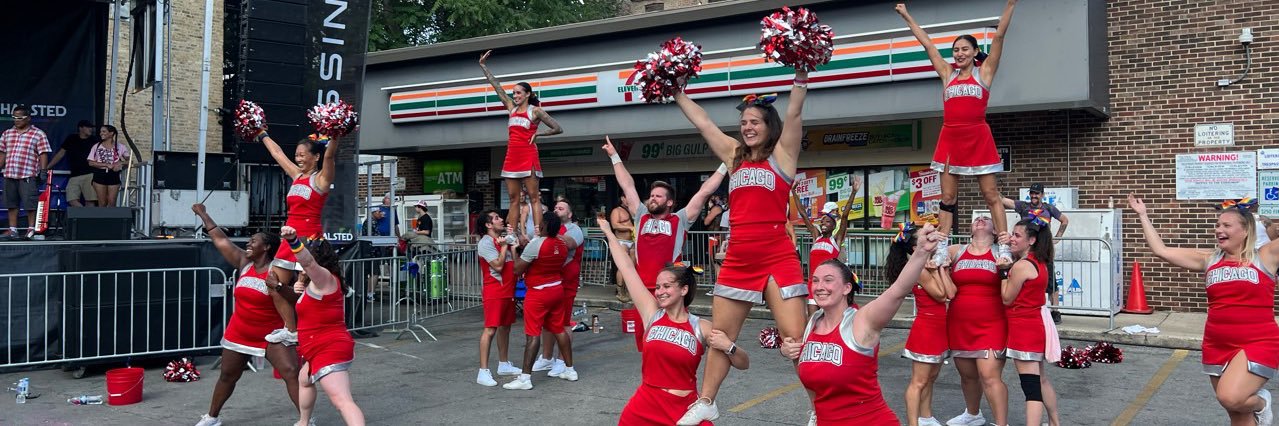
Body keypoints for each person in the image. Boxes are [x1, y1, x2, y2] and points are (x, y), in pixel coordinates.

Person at [673, 69, 811, 424]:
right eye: (744, 121)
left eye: (755, 122)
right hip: (738, 257)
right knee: (720, 336)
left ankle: (820, 409)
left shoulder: (783, 156)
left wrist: (800, 76)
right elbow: (704, 123)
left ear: (769, 126)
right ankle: (707, 400)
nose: (747, 127)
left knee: (796, 339)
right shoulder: (735, 156)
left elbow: (794, 113)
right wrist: (677, 92)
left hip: (777, 256)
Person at [1129, 195, 1279, 425]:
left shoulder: (1265, 257)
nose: (1219, 229)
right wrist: (1143, 215)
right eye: (1218, 225)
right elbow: (1161, 250)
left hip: (1257, 341)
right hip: (1217, 343)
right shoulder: (1209, 259)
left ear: (1246, 230)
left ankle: (1262, 403)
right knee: (1237, 412)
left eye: (1227, 225)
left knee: (1231, 397)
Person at [896, 1, 1019, 267]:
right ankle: (941, 247)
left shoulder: (984, 72)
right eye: (955, 50)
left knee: (991, 195)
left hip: (978, 136)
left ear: (975, 52)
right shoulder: (947, 75)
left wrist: (1011, 4)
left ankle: (1004, 247)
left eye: (964, 49)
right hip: (950, 138)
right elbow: (928, 44)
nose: (959, 53)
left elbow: (999, 36)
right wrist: (907, 15)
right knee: (948, 198)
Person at [780, 224, 942, 425]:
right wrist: (791, 352)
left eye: (828, 280)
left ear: (847, 287)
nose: (820, 287)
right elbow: (813, 376)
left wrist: (921, 252)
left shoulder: (862, 320)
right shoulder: (813, 322)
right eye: (815, 281)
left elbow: (898, 290)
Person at [598, 215, 747, 425]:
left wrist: (729, 347)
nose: (659, 292)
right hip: (645, 405)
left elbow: (743, 363)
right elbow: (627, 269)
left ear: (683, 289)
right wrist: (608, 232)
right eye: (658, 287)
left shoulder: (701, 327)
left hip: (684, 410)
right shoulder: (652, 314)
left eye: (666, 286)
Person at [192, 204, 298, 426]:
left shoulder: (278, 270)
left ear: (267, 247)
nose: (248, 243)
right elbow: (221, 241)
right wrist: (203, 214)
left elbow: (293, 298)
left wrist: (278, 285)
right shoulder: (244, 262)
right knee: (227, 376)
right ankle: (212, 417)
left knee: (290, 372)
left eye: (254, 240)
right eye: (249, 240)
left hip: (270, 335)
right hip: (239, 332)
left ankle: (306, 419)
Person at [603, 135, 727, 294]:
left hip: (671, 289)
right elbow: (627, 185)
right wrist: (614, 156)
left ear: (669, 202)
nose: (653, 198)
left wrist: (725, 165)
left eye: (658, 196)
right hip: (642, 288)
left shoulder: (680, 219)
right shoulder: (641, 215)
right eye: (652, 195)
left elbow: (704, 192)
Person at [254, 131, 341, 346]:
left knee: (308, 292)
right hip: (288, 239)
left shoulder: (321, 179)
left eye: (303, 155)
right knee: (272, 284)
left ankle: (318, 331)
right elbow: (277, 153)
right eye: (297, 155)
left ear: (316, 157)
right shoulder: (296, 175)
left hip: (309, 241)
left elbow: (330, 156)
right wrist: (262, 133)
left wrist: (336, 135)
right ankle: (290, 330)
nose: (298, 159)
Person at [282, 226, 365, 426]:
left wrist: (294, 241)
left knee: (342, 401)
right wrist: (296, 290)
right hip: (316, 346)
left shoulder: (324, 277)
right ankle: (304, 422)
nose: (299, 262)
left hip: (329, 346)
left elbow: (307, 262)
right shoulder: (315, 282)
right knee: (305, 379)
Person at [478, 50, 563, 241]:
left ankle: (538, 233)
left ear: (527, 95)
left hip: (528, 155)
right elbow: (497, 87)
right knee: (514, 199)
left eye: (518, 93)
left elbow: (558, 128)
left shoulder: (536, 111)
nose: (514, 95)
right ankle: (511, 233)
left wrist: (539, 133)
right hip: (512, 156)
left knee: (534, 197)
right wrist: (484, 67)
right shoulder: (511, 108)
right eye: (514, 93)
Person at [943, 215, 1009, 426]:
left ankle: (1001, 423)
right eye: (976, 219)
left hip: (993, 322)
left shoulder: (1004, 252)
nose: (980, 219)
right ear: (970, 229)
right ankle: (973, 414)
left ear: (995, 229)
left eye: (987, 218)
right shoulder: (956, 251)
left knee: (990, 376)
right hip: (959, 323)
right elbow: (931, 249)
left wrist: (1011, 241)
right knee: (968, 375)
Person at [504, 211, 576, 389]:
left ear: (543, 226)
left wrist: (514, 251)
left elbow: (518, 269)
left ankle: (525, 378)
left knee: (533, 334)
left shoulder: (536, 244)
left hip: (538, 292)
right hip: (557, 289)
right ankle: (569, 369)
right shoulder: (561, 243)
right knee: (559, 329)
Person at [893, 223, 956, 426]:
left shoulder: (928, 263)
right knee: (919, 381)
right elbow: (940, 295)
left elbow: (950, 293)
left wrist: (939, 267)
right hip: (927, 326)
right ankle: (914, 422)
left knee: (931, 377)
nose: (932, 238)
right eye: (927, 236)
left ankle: (926, 416)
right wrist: (938, 270)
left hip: (939, 325)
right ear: (915, 247)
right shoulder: (918, 267)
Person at [1002, 217, 1062, 426]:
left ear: (1032, 240)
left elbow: (1007, 298)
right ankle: (1054, 423)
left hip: (1024, 329)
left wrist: (1002, 273)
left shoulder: (1022, 266)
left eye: (1017, 235)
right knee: (1040, 379)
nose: (1012, 239)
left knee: (1031, 388)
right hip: (1035, 326)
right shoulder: (1041, 261)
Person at [1002, 182, 1070, 324]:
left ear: (1042, 195)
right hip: (1025, 250)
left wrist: (1057, 238)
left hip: (1044, 249)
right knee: (1020, 277)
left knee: (1051, 279)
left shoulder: (1049, 208)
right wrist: (991, 189)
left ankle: (1055, 311)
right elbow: (1003, 201)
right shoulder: (1023, 206)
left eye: (1037, 193)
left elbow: (1064, 220)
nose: (1034, 196)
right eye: (1032, 193)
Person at [532, 199, 584, 377]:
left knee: (564, 323)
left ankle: (562, 360)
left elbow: (569, 243)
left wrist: (549, 233)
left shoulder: (574, 230)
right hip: (552, 282)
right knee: (548, 322)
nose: (556, 210)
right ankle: (547, 358)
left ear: (569, 214)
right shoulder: (548, 230)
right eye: (555, 207)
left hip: (567, 281)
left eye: (561, 208)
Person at [476, 209, 521, 386]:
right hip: (494, 292)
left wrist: (513, 248)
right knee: (490, 329)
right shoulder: (486, 243)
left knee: (505, 327)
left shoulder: (503, 240)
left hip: (508, 291)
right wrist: (504, 247)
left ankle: (503, 363)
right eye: (496, 218)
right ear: (488, 225)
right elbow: (498, 266)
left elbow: (514, 265)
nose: (501, 220)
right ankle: (483, 371)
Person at [793, 193, 858, 316]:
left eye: (827, 222)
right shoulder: (816, 237)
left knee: (830, 320)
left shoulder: (836, 240)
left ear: (834, 225)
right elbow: (803, 214)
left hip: (829, 286)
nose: (823, 224)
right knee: (812, 321)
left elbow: (844, 217)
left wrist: (854, 192)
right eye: (822, 222)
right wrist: (794, 191)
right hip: (814, 284)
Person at [0, 105, 51, 240]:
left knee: (30, 203)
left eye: (19, 118)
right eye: (14, 117)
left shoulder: (38, 134)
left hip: (28, 174)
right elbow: (2, 154)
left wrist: (43, 171)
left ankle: (31, 229)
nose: (16, 120)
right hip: (10, 173)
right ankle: (12, 230)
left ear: (28, 118)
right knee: (11, 203)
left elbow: (43, 154)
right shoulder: (7, 133)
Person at [49, 120, 98, 207]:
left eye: (91, 127)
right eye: (88, 127)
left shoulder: (94, 140)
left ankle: (88, 219)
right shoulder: (72, 138)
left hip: (90, 174)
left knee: (90, 200)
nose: (91, 129)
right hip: (74, 174)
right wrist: (48, 167)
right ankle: (83, 216)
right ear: (81, 128)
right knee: (71, 199)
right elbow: (61, 153)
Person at [88, 125, 129, 207]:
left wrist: (121, 163)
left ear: (111, 133)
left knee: (112, 201)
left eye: (104, 131)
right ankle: (101, 219)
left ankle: (111, 218)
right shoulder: (96, 146)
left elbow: (129, 160)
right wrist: (106, 164)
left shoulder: (121, 147)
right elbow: (90, 162)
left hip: (113, 174)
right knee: (102, 202)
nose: (101, 133)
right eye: (100, 132)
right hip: (100, 173)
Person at [609, 195, 636, 302]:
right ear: (622, 198)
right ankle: (620, 291)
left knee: (632, 268)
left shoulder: (633, 211)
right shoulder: (617, 211)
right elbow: (615, 225)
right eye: (627, 197)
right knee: (623, 267)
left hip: (632, 242)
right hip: (621, 242)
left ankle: (628, 289)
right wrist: (630, 227)